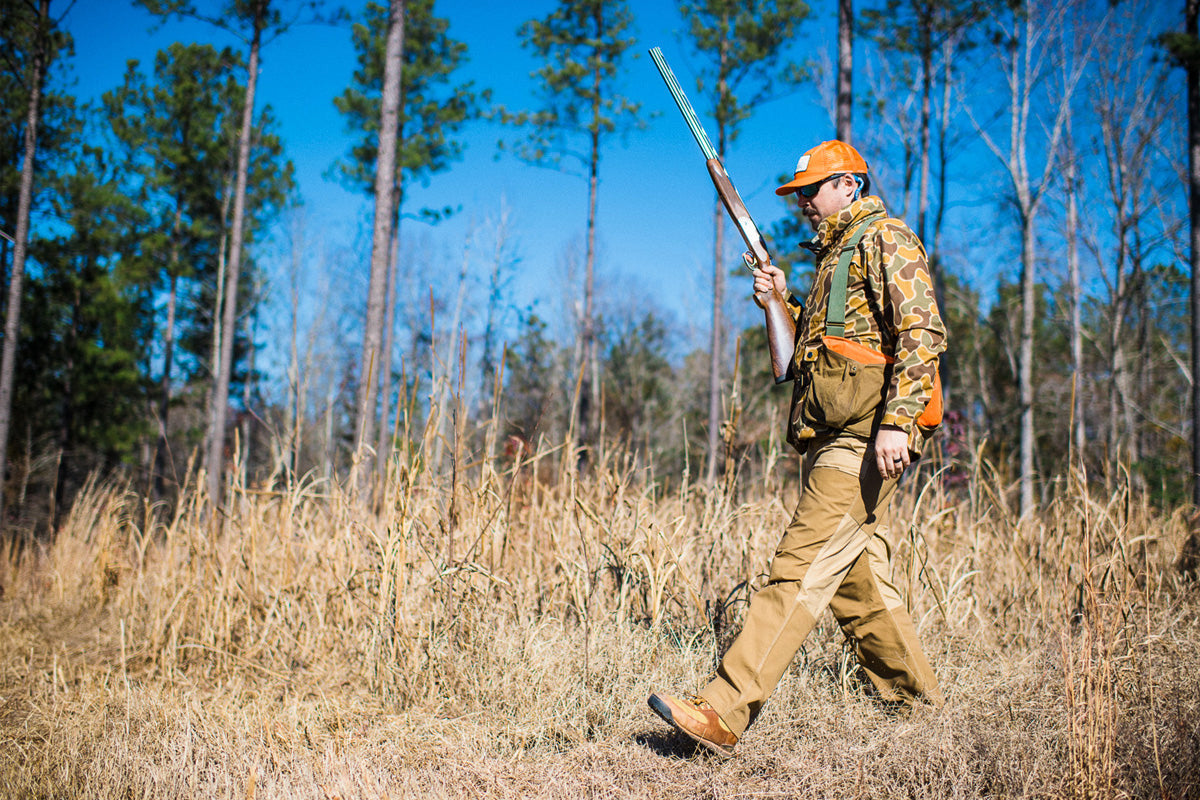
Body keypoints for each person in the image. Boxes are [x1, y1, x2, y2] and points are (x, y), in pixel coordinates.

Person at [648, 140, 947, 757]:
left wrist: (898, 422)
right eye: (798, 196)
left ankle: (724, 711)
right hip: (833, 435)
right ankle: (917, 705)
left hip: (868, 432)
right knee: (855, 581)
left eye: (811, 191)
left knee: (799, 566)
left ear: (849, 185)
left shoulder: (887, 238)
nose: (804, 204)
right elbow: (794, 362)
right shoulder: (834, 260)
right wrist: (778, 302)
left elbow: (922, 332)